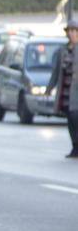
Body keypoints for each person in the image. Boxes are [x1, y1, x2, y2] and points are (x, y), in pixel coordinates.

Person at [46, 19, 78, 158]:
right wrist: (49, 88)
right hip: (66, 92)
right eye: (69, 31)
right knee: (70, 119)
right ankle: (75, 147)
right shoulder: (62, 50)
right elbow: (56, 71)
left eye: (73, 31)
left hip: (77, 93)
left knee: (75, 117)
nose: (71, 33)